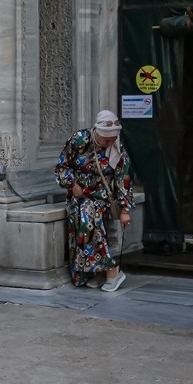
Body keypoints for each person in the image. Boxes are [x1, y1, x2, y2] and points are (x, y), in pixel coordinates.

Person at [55, 109, 134, 292]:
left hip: (103, 198)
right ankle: (95, 272)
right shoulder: (79, 140)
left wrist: (124, 210)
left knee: (88, 219)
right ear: (97, 133)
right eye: (106, 140)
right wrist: (72, 184)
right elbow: (62, 165)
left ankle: (111, 270)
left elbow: (123, 179)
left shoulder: (117, 149)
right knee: (82, 223)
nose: (110, 143)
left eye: (113, 139)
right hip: (78, 195)